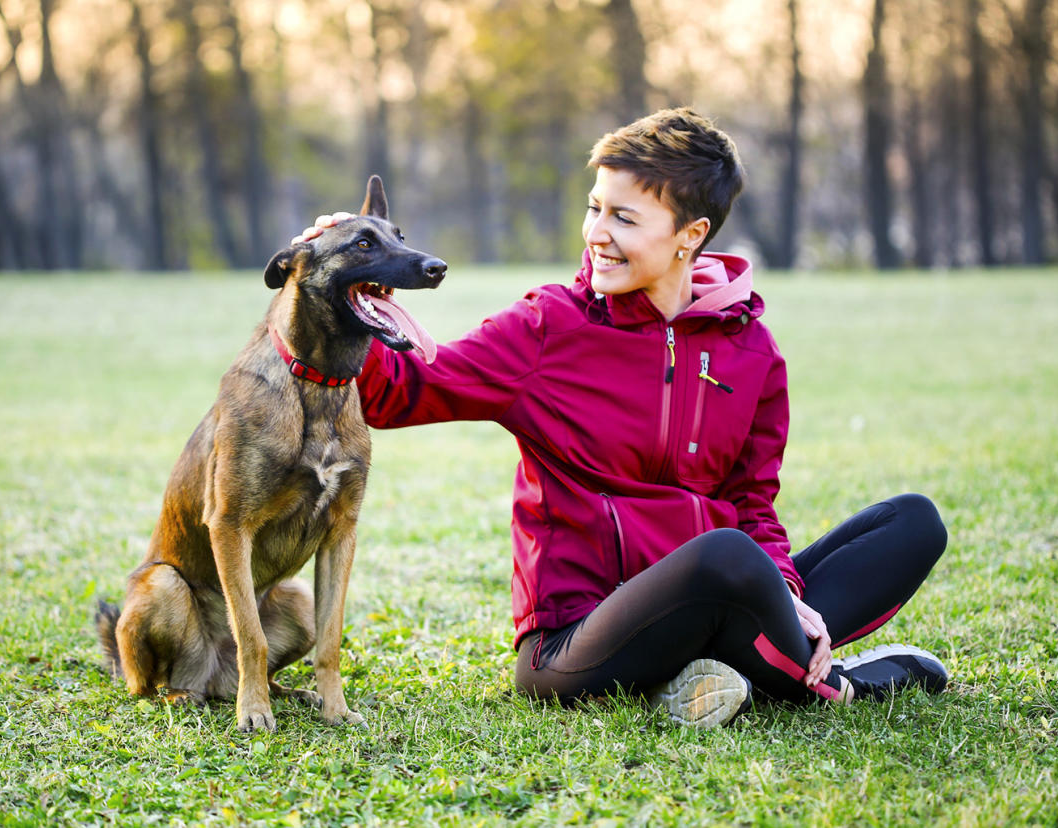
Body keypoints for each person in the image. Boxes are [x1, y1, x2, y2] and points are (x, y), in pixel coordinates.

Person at [295, 108, 948, 727]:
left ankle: (738, 662)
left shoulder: (753, 354)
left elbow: (751, 503)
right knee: (724, 556)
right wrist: (334, 282)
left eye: (624, 219)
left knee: (912, 522)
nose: (597, 234)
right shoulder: (549, 327)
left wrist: (783, 592)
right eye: (594, 209)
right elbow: (393, 395)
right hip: (576, 642)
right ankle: (841, 686)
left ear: (690, 236)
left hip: (717, 594)